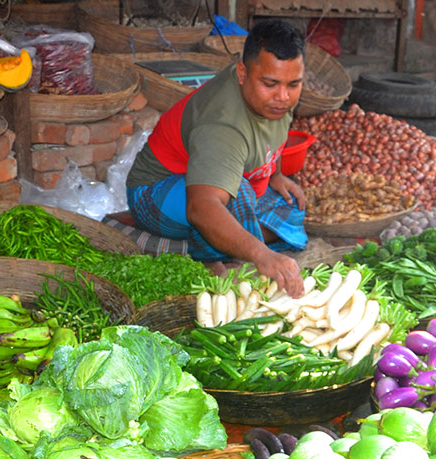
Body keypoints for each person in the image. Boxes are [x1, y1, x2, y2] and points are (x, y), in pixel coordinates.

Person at [125, 18, 309, 297]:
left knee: (293, 206)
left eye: (293, 84)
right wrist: (261, 255)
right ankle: (210, 252)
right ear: (242, 73)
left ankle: (223, 238)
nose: (282, 96)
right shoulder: (222, 125)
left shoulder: (275, 99)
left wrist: (276, 175)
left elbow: (275, 136)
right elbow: (201, 206)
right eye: (270, 84)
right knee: (237, 197)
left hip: (217, 181)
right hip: (155, 192)